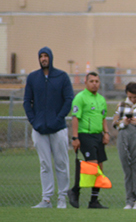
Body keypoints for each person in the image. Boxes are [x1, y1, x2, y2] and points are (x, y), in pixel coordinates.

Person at [23, 46, 74, 209]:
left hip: (58, 128)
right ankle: (46, 199)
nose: (43, 59)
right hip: (39, 129)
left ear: (51, 58)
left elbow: (68, 100)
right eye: (41, 56)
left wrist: (58, 118)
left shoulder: (62, 77)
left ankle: (62, 198)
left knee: (61, 163)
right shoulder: (33, 78)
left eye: (46, 56)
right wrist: (34, 120)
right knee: (44, 164)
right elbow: (27, 102)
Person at [68, 72, 110, 209]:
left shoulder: (101, 99)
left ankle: (94, 201)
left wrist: (106, 133)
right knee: (92, 167)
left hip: (98, 136)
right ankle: (75, 190)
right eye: (91, 81)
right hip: (85, 135)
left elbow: (103, 117)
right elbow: (75, 118)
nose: (94, 84)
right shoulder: (80, 98)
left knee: (100, 168)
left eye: (97, 81)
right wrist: (75, 137)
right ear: (86, 82)